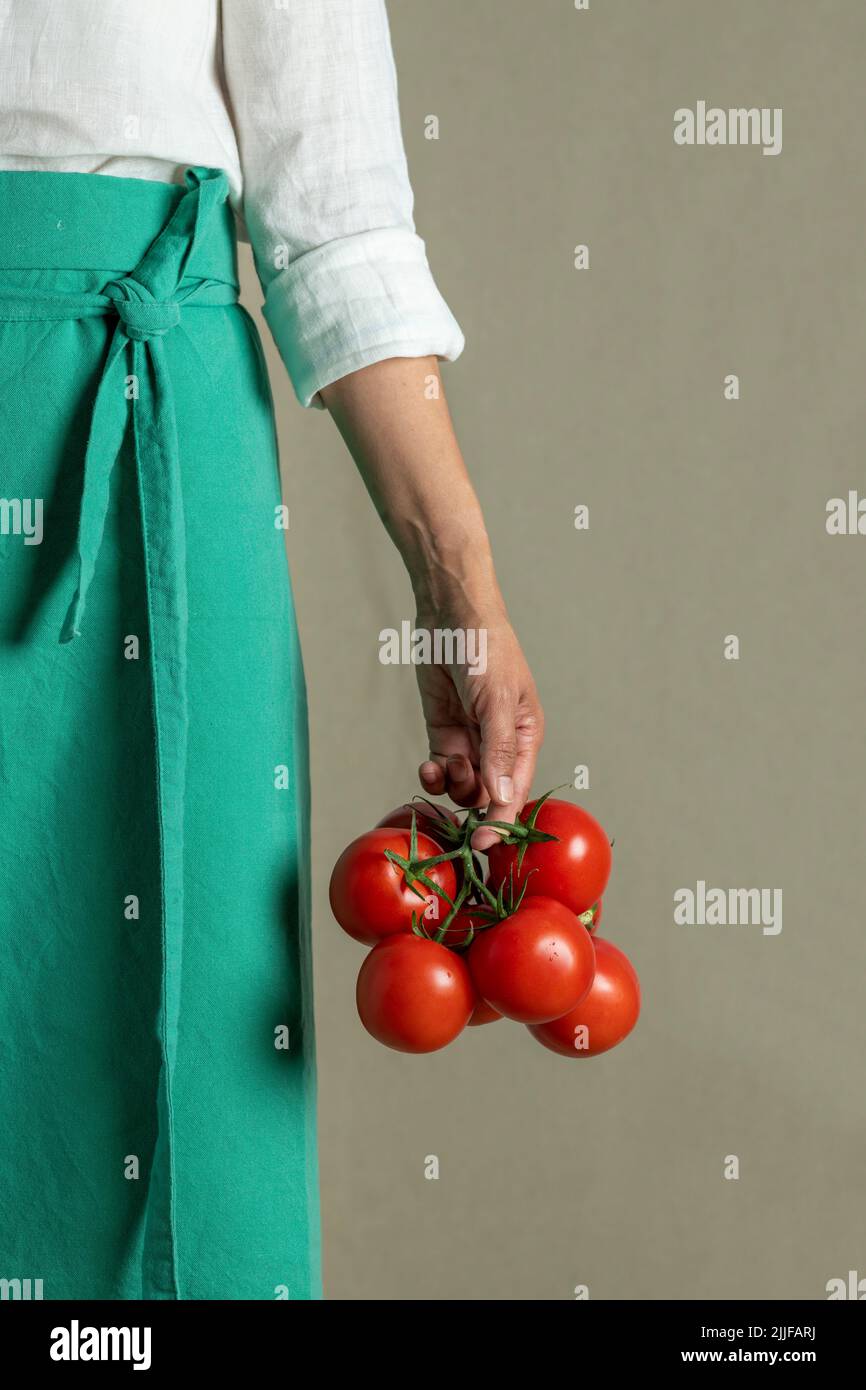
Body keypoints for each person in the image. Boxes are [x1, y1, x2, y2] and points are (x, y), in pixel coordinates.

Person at [0, 0, 543, 1300]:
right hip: (117, 400)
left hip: (133, 432)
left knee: (162, 1059)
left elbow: (334, 207)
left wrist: (458, 589)